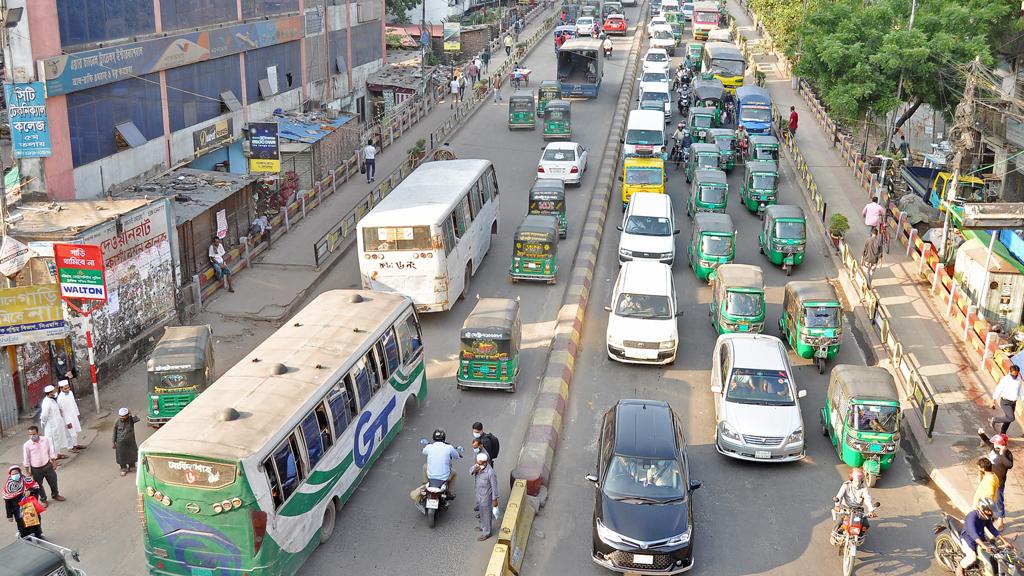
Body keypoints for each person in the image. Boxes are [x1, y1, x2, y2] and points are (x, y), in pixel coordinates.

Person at [957, 498, 1011, 576]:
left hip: (981, 537)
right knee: (972, 557)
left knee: (995, 554)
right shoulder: (972, 517)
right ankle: (959, 568)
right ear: (982, 509)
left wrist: (1005, 541)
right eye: (988, 510)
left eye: (991, 510)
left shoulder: (987, 518)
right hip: (968, 539)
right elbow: (973, 533)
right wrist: (984, 545)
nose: (990, 512)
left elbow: (993, 530)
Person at [978, 428, 1013, 530]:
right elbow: (988, 441)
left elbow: (1009, 465)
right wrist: (982, 434)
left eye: (996, 443)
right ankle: (991, 515)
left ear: (1002, 444)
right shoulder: (994, 448)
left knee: (998, 502)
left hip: (998, 483)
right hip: (989, 479)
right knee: (988, 499)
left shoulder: (1007, 454)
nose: (994, 444)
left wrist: (1002, 454)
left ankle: (1001, 520)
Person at [23, 425, 64, 503]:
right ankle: (43, 499)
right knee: (38, 485)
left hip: (47, 466)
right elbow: (26, 458)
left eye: (34, 434)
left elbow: (50, 451)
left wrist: (54, 462)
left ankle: (55, 495)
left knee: (53, 481)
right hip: (36, 469)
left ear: (38, 433)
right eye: (30, 434)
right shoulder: (27, 445)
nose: (32, 436)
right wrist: (27, 472)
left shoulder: (45, 440)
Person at [832, 468, 876, 535]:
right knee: (839, 522)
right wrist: (837, 505)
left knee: (866, 525)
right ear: (851, 479)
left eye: (859, 481)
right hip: (845, 508)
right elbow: (839, 495)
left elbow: (867, 499)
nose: (857, 483)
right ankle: (834, 534)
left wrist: (871, 510)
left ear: (862, 481)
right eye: (855, 481)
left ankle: (861, 536)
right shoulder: (846, 485)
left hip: (857, 510)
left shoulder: (864, 489)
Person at [4, 465, 43, 538]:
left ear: (20, 473)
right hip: (18, 509)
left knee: (35, 522)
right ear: (10, 475)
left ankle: (38, 536)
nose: (15, 475)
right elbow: (7, 502)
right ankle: (26, 539)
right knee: (22, 524)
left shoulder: (26, 480)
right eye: (13, 474)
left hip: (30, 506)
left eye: (16, 473)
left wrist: (30, 491)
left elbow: (36, 488)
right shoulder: (8, 487)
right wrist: (9, 515)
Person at [422, 429, 461, 496]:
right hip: (444, 477)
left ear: (433, 438)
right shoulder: (449, 447)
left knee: (425, 466)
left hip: (431, 476)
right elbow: (457, 456)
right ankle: (449, 492)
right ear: (444, 438)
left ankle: (424, 484)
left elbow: (423, 452)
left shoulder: (429, 447)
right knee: (454, 473)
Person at [471, 452, 499, 541]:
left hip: (486, 497)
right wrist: (474, 469)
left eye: (479, 463)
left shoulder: (490, 473)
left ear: (484, 462)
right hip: (479, 495)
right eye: (477, 462)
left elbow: (494, 486)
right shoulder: (477, 467)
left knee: (486, 514)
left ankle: (487, 532)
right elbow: (470, 472)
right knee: (482, 513)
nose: (478, 464)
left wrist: (494, 499)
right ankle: (483, 527)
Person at [39, 385, 71, 458]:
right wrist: (43, 423)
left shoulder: (52, 400)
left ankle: (57, 454)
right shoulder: (46, 402)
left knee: (57, 441)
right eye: (53, 392)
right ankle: (53, 458)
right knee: (52, 442)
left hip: (56, 425)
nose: (55, 393)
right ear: (49, 393)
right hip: (51, 426)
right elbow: (44, 415)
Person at [989, 365, 1022, 435]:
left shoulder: (1019, 380)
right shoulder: (1005, 379)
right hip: (1005, 402)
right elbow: (998, 389)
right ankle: (994, 419)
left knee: (1008, 419)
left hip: (1013, 403)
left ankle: (1003, 433)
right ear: (1010, 372)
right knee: (1011, 418)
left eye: (1016, 374)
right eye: (1013, 374)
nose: (1015, 376)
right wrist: (993, 400)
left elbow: (1020, 391)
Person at [57, 380, 84, 452]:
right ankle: (70, 447)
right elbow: (63, 412)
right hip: (67, 418)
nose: (68, 389)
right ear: (61, 389)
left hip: (73, 415)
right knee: (70, 433)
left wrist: (77, 413)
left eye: (68, 387)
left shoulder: (70, 393)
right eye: (65, 388)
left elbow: (74, 403)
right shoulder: (60, 398)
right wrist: (67, 422)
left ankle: (75, 444)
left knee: (75, 431)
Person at [113, 407, 139, 476]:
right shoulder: (117, 422)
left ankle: (132, 466)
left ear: (127, 415)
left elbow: (137, 419)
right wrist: (113, 442)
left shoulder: (131, 420)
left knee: (131, 454)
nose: (122, 417)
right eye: (121, 416)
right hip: (120, 443)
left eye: (123, 416)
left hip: (130, 441)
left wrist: (132, 414)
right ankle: (123, 468)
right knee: (121, 456)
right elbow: (114, 432)